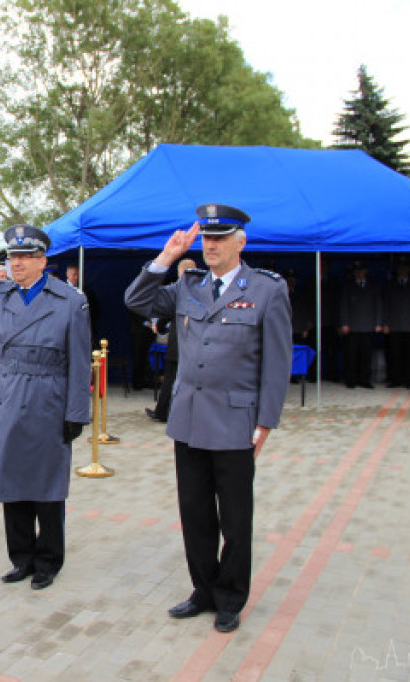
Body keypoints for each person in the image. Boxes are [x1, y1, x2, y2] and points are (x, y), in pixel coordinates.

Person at [124, 204, 292, 634]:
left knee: (235, 520)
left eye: (219, 238)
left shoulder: (267, 289)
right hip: (189, 419)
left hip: (236, 423)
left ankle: (231, 597)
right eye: (206, 239)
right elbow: (136, 300)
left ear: (241, 242)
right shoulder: (189, 285)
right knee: (196, 514)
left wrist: (265, 423)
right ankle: (203, 590)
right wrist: (164, 258)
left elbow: (276, 364)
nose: (210, 245)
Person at [0, 225, 91, 591]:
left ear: (43, 261)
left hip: (46, 396)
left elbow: (80, 360)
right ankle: (21, 557)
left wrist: (76, 412)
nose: (17, 264)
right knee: (11, 481)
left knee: (46, 484)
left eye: (25, 257)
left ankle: (48, 560)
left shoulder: (70, 300)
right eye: (12, 257)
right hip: (4, 393)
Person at [146, 257, 196, 422]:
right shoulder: (204, 290)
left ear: (180, 272)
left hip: (177, 345)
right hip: (195, 347)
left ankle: (162, 412)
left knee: (170, 380)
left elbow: (166, 312)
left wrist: (158, 327)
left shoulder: (178, 291)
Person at [382, 256, 410, 389]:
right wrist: (385, 323)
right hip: (394, 325)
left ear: (409, 269)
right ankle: (396, 380)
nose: (403, 270)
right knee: (395, 355)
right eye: (400, 268)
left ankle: (409, 381)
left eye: (405, 268)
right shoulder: (391, 284)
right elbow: (386, 305)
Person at [340, 260, 382, 389]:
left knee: (366, 355)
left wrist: (378, 322)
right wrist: (344, 323)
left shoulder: (373, 286)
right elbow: (344, 306)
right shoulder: (348, 286)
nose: (359, 273)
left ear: (366, 272)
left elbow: (378, 305)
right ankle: (351, 380)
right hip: (352, 326)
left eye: (361, 271)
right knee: (351, 355)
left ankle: (364, 380)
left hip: (368, 325)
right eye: (357, 271)